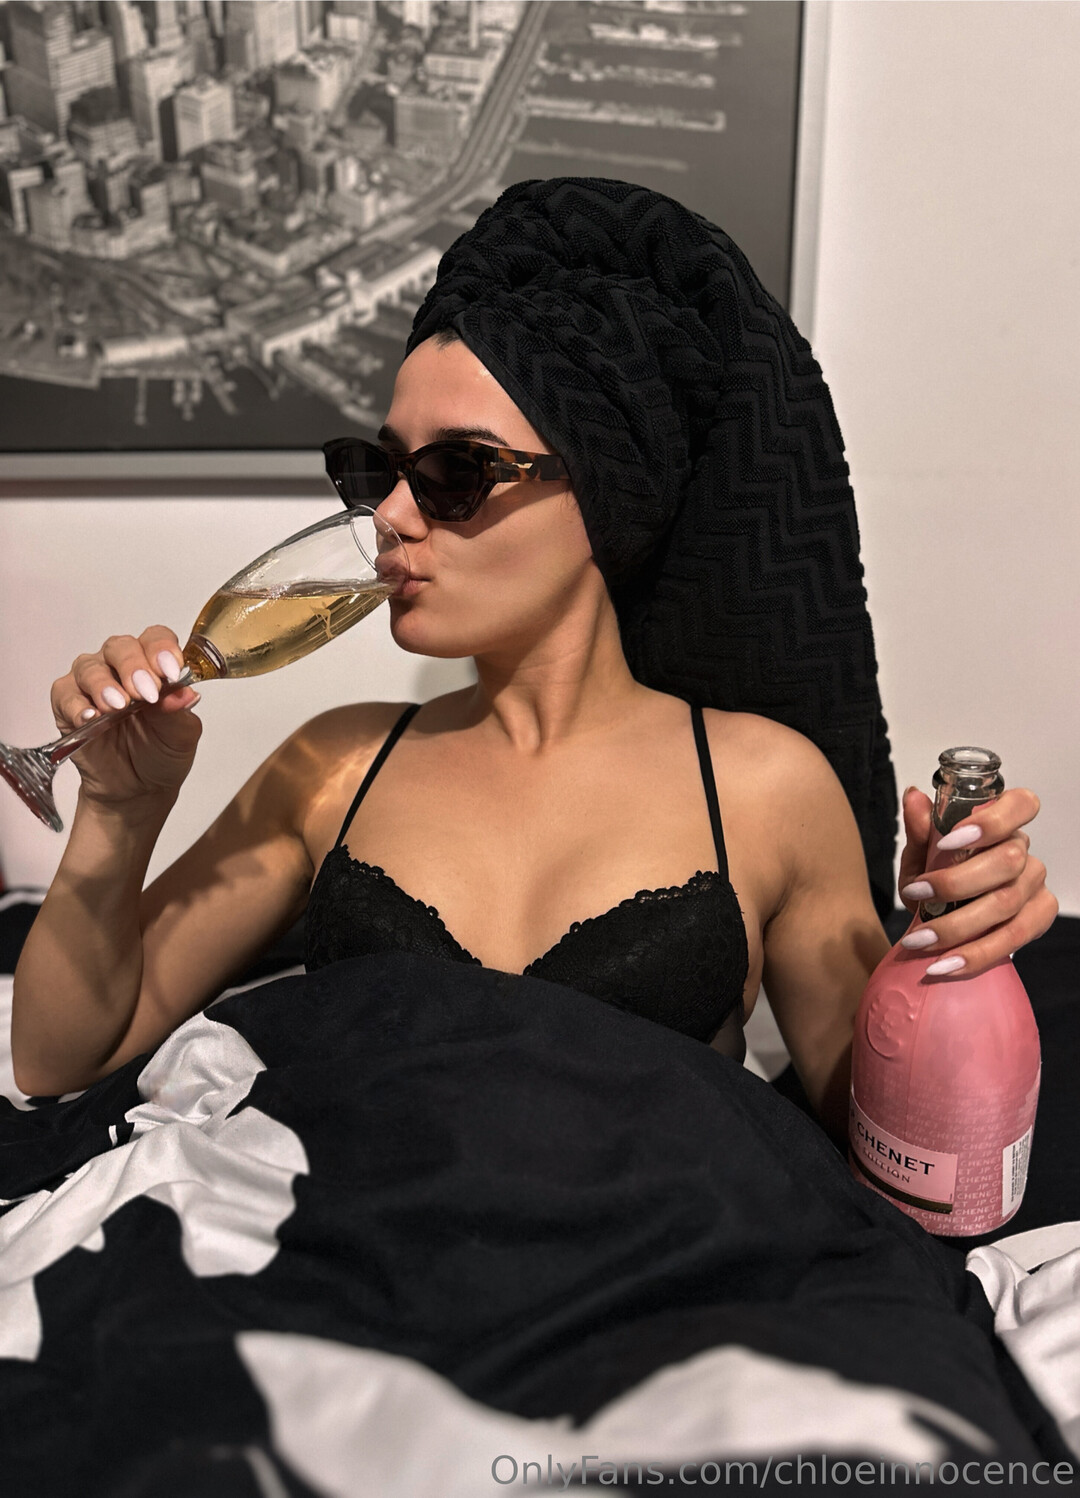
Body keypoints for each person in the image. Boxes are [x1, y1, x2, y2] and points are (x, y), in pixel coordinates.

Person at [11, 181, 1057, 1142]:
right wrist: (119, 811)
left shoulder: (768, 788)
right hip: (346, 1247)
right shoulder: (331, 766)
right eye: (378, 469)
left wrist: (945, 954)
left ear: (606, 495)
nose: (389, 515)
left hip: (660, 1258)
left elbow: (891, 1145)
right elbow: (61, 1058)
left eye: (454, 472)